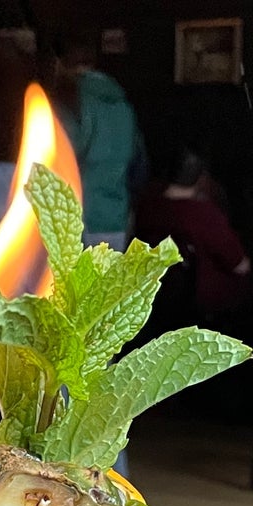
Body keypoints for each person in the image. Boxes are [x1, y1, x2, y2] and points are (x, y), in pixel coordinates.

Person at [135, 145, 251, 323]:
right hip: (202, 299)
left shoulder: (147, 206)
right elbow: (238, 265)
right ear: (201, 178)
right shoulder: (204, 215)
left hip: (155, 291)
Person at [52, 32, 146, 250]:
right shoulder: (122, 103)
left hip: (77, 219)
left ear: (59, 62)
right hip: (116, 217)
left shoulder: (68, 100)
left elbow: (59, 162)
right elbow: (139, 166)